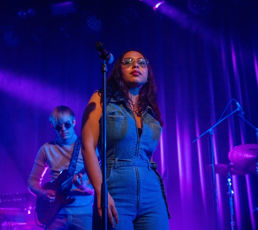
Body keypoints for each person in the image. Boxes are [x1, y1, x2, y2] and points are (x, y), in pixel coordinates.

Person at [81, 50, 170, 230]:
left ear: (148, 72)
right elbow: (87, 146)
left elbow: (146, 154)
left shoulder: (150, 111)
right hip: (115, 187)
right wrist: (100, 190)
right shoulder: (101, 99)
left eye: (141, 62)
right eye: (128, 62)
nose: (135, 65)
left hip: (152, 194)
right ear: (118, 70)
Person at [28, 105, 94, 230]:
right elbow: (32, 181)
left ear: (74, 122)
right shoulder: (46, 149)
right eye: (58, 126)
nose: (63, 129)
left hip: (83, 214)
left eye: (67, 125)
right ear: (52, 126)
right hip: (56, 213)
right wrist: (43, 193)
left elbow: (100, 187)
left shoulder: (88, 147)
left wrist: (85, 188)